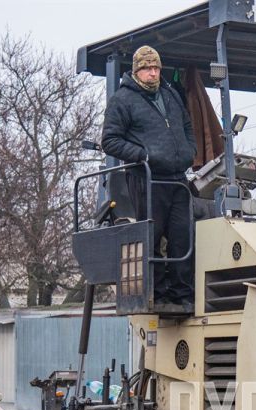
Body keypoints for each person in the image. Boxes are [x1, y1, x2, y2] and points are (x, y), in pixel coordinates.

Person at [101, 45, 198, 314]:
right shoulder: (122, 99)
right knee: (151, 238)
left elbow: (187, 126)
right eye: (147, 69)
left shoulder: (171, 94)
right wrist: (143, 155)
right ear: (137, 71)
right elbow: (109, 140)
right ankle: (159, 294)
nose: (152, 73)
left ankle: (183, 296)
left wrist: (191, 151)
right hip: (147, 179)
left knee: (183, 238)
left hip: (178, 179)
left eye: (156, 68)